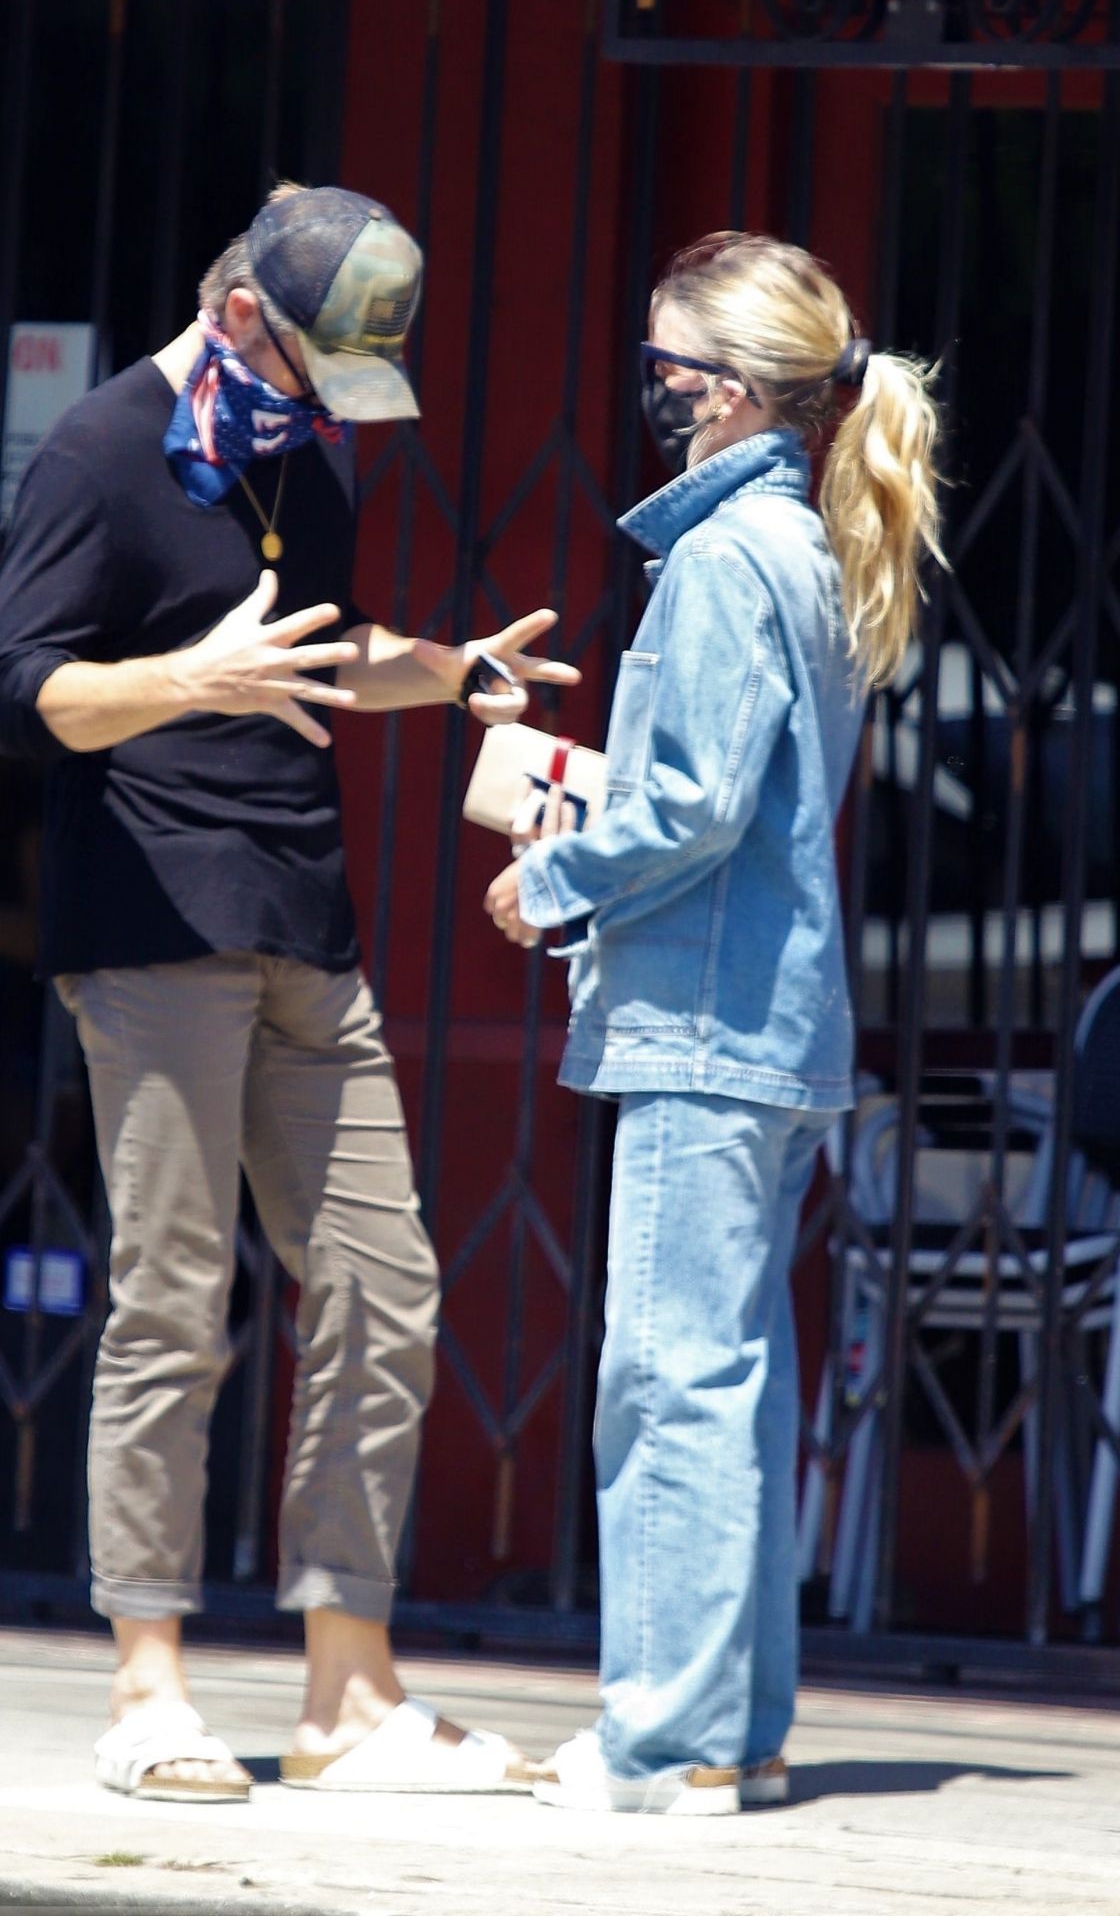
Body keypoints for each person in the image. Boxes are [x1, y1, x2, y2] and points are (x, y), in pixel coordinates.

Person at [0, 182, 577, 1802]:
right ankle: (146, 1692)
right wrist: (190, 680)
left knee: (387, 1285)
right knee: (171, 1304)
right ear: (243, 311)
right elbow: (18, 692)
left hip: (302, 920)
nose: (329, 406)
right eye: (318, 364)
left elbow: (326, 647)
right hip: (153, 923)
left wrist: (451, 671)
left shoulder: (303, 453)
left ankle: (346, 1702)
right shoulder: (102, 451)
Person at [485, 232, 942, 1814]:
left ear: (733, 391)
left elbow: (692, 799)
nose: (656, 394)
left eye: (668, 369)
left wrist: (554, 879)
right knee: (728, 1378)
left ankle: (665, 1741)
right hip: (768, 1024)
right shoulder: (798, 544)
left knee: (671, 1380)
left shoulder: (730, 554)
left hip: (704, 1020)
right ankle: (724, 1736)